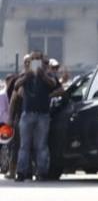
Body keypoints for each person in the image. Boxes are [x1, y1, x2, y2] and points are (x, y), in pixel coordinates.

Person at [12, 50, 61, 181]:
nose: (37, 62)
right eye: (34, 60)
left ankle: (42, 172)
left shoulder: (47, 74)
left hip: (43, 115)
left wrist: (43, 75)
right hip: (27, 113)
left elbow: (55, 85)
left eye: (39, 60)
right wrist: (26, 76)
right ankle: (21, 172)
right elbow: (16, 86)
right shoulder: (26, 74)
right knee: (25, 145)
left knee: (41, 145)